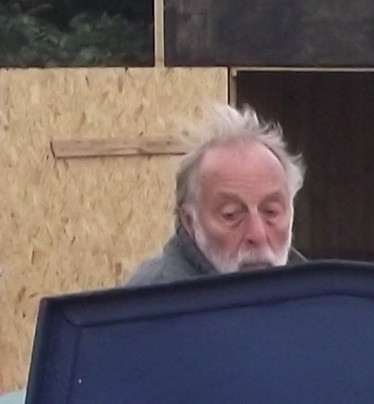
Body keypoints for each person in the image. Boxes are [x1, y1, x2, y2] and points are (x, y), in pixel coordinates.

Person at [124, 103, 305, 284]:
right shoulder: (153, 302)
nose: (257, 235)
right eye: (231, 214)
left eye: (271, 212)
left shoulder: (314, 294)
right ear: (189, 221)